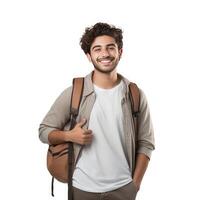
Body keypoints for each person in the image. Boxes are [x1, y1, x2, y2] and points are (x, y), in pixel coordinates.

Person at [39, 22, 155, 200]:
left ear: (120, 52)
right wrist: (69, 136)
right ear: (89, 56)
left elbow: (146, 143)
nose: (105, 54)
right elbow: (44, 131)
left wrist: (135, 185)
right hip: (82, 188)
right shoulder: (74, 92)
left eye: (110, 47)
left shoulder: (135, 95)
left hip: (123, 188)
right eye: (97, 49)